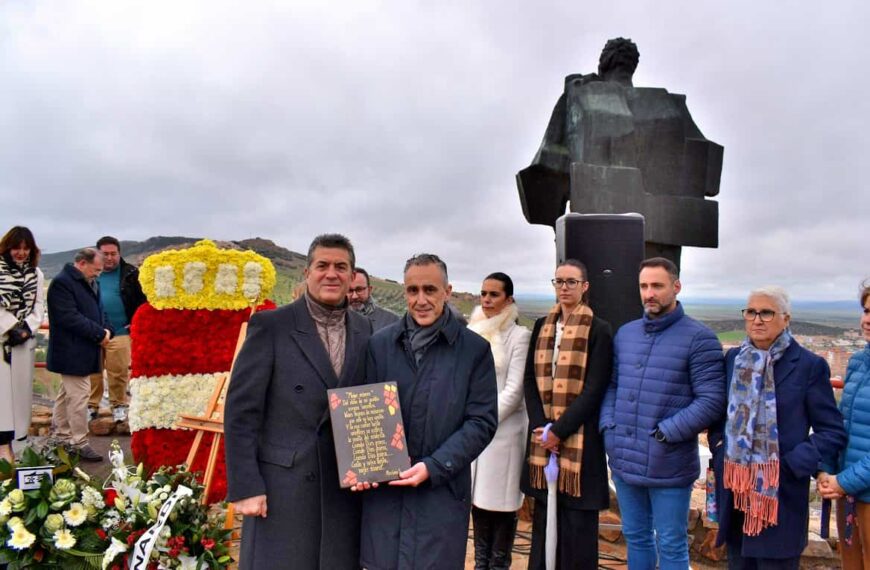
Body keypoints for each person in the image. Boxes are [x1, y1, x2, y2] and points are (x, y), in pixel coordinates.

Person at [224, 234, 372, 569]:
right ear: (307, 273)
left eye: (340, 267)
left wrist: (370, 464)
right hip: (284, 487)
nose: (331, 274)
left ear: (352, 276)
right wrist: (246, 486)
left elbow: (365, 401)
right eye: (322, 266)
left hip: (342, 488)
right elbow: (241, 412)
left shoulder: (365, 329)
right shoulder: (271, 325)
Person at [354, 253, 498, 570]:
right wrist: (364, 465)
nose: (421, 300)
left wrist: (434, 466)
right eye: (413, 290)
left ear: (447, 291)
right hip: (386, 500)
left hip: (441, 495)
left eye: (430, 290)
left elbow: (481, 422)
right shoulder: (380, 345)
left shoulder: (474, 350)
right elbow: (367, 410)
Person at [600, 256, 726, 569]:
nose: (649, 293)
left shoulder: (700, 338)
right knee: (636, 536)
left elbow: (711, 400)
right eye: (644, 286)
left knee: (670, 543)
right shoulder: (626, 334)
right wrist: (608, 427)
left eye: (657, 285)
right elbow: (612, 385)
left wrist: (666, 433)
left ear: (676, 286)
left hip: (668, 463)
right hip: (625, 457)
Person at [709, 286, 846, 569]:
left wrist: (790, 465)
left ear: (786, 319)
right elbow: (721, 415)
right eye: (751, 312)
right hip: (736, 495)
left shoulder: (809, 366)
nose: (757, 320)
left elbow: (831, 431)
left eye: (766, 313)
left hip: (780, 498)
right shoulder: (734, 359)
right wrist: (720, 448)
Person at [522, 259, 613, 569]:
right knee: (544, 525)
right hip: (542, 441)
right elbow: (529, 380)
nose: (564, 287)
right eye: (558, 281)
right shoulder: (541, 326)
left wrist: (559, 431)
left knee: (577, 529)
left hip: (580, 444)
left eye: (571, 282)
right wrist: (541, 428)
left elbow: (594, 389)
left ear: (584, 286)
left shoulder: (599, 330)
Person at [467, 272, 531, 570]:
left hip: (503, 434)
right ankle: (481, 565)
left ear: (509, 299)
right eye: (484, 293)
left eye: (494, 294)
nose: (487, 300)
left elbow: (514, 391)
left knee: (501, 507)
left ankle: (498, 565)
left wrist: (482, 419)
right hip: (474, 433)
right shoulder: (474, 331)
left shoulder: (520, 336)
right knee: (478, 504)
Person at [817, 282, 870, 569]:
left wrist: (842, 481)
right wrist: (825, 469)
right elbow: (841, 424)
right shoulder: (859, 362)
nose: (867, 320)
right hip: (847, 490)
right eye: (866, 311)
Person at [47, 248, 112, 462]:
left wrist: (107, 329)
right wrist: (99, 333)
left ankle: (61, 437)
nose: (98, 274)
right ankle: (79, 442)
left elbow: (99, 311)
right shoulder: (62, 283)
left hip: (84, 349)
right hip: (71, 351)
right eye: (96, 269)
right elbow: (69, 317)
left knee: (66, 394)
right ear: (82, 263)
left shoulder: (89, 281)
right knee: (79, 396)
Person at [88, 236, 146, 423]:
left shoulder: (130, 273)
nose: (109, 258)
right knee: (92, 372)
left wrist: (134, 323)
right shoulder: (88, 272)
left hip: (120, 331)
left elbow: (142, 301)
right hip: (92, 332)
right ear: (97, 254)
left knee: (118, 371)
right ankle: (91, 406)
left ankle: (119, 406)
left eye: (113, 254)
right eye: (105, 254)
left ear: (119, 253)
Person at [0, 226, 45, 464]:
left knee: (20, 399)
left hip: (22, 343)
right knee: (2, 399)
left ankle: (17, 449)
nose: (21, 252)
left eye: (26, 248)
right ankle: (3, 449)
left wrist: (27, 328)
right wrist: (11, 327)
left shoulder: (36, 274)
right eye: (16, 248)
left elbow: (38, 305)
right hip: (2, 340)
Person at [348, 267, 400, 331]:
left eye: (359, 290)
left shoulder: (391, 321)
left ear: (369, 290)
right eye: (349, 290)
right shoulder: (337, 320)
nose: (354, 296)